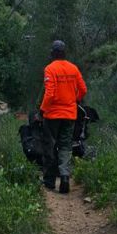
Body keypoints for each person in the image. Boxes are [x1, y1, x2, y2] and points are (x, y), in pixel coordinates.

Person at [39, 39, 87, 194]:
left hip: (52, 115)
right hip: (69, 114)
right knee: (65, 146)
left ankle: (49, 181)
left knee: (50, 146)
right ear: (64, 53)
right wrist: (75, 99)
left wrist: (42, 110)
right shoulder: (73, 68)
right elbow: (83, 89)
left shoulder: (50, 69)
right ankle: (65, 177)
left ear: (53, 53)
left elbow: (50, 94)